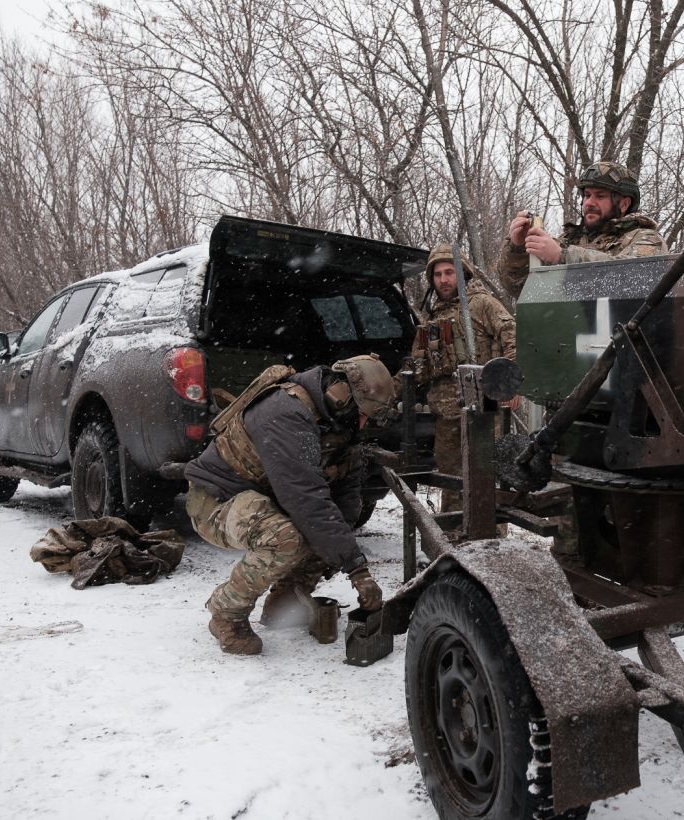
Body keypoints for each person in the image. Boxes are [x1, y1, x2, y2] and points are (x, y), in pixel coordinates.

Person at [185, 354, 397, 655]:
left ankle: (285, 601)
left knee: (333, 532)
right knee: (285, 538)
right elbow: (306, 499)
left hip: (264, 499)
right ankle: (226, 612)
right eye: (364, 413)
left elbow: (344, 498)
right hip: (216, 501)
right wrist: (358, 571)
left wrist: (344, 549)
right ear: (341, 395)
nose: (364, 423)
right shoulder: (286, 411)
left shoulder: (340, 421)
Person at [410, 244, 518, 512]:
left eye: (450, 272)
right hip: (447, 412)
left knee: (484, 473)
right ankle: (454, 531)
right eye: (438, 275)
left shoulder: (482, 304)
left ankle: (488, 537)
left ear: (463, 274)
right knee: (450, 476)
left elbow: (513, 337)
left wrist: (511, 386)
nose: (444, 279)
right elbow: (418, 362)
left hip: (482, 409)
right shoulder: (435, 314)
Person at [499, 161, 668, 299]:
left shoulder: (647, 239)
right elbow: (518, 287)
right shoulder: (567, 241)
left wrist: (562, 257)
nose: (589, 203)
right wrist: (518, 247)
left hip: (624, 337)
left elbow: (632, 280)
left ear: (624, 204)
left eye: (600, 196)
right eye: (587, 195)